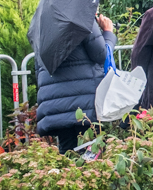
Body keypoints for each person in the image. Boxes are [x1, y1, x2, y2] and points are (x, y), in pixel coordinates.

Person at [35, 13, 116, 153]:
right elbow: (102, 55)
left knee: (69, 156)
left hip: (56, 104)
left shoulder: (41, 23)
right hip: (85, 103)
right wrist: (108, 33)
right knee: (91, 154)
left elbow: (39, 69)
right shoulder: (82, 17)